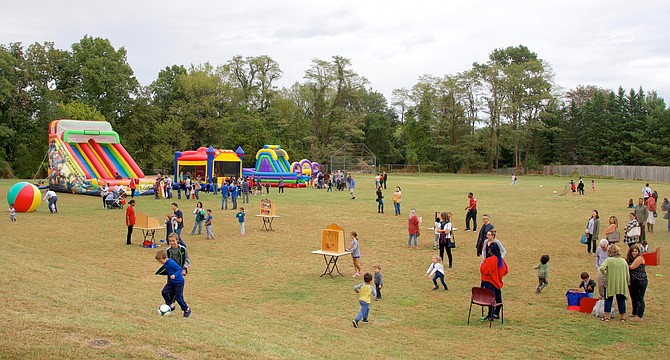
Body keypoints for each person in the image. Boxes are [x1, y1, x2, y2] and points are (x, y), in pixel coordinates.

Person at [155, 249, 191, 318]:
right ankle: (170, 305)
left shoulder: (171, 262)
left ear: (165, 258)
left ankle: (186, 309)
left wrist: (175, 275)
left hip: (178, 282)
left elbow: (179, 269)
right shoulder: (165, 263)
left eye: (161, 261)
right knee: (164, 292)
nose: (160, 263)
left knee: (178, 298)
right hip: (171, 282)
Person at [599, 244, 629, 322]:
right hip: (621, 283)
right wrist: (627, 281)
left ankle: (606, 317)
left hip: (611, 283)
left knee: (608, 299)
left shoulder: (609, 260)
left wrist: (606, 273)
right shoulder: (623, 261)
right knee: (621, 300)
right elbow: (627, 273)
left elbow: (601, 268)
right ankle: (623, 317)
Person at [480, 242, 508, 320]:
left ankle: (491, 314)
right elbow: (505, 270)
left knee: (491, 298)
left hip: (489, 281)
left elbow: (483, 270)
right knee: (498, 298)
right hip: (497, 281)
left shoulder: (490, 260)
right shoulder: (501, 260)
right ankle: (496, 313)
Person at [627, 244, 647, 321]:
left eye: (636, 251)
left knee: (640, 298)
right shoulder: (629, 259)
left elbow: (632, 267)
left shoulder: (639, 258)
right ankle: (634, 313)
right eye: (633, 251)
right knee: (634, 298)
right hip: (632, 281)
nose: (634, 253)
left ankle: (639, 315)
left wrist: (623, 266)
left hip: (640, 281)